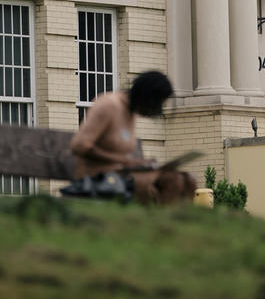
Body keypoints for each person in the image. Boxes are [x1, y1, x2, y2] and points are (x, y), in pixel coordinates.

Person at [68, 70, 195, 203]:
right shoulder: (109, 104)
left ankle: (171, 221)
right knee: (170, 182)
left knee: (187, 180)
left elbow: (120, 152)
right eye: (157, 104)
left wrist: (140, 163)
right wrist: (124, 161)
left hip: (122, 173)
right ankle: (156, 221)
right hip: (97, 176)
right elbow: (79, 145)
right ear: (147, 96)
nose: (156, 109)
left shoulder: (131, 112)